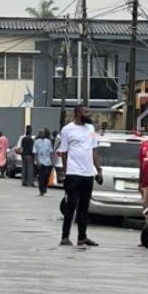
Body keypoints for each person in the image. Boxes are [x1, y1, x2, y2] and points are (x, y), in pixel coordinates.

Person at [58, 105, 103, 248]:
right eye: (86, 111)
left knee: (84, 207)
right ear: (78, 113)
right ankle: (65, 237)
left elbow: (94, 149)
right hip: (73, 173)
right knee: (71, 206)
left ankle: (82, 237)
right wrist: (65, 173)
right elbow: (64, 152)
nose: (88, 114)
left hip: (88, 174)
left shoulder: (91, 129)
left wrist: (98, 170)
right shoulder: (67, 130)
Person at [33, 128, 54, 196]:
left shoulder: (48, 141)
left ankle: (45, 187)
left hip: (48, 162)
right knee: (41, 177)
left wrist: (52, 161)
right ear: (39, 134)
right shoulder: (36, 142)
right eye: (41, 133)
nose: (42, 134)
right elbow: (35, 152)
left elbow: (51, 152)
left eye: (43, 133)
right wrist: (37, 161)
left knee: (46, 177)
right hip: (40, 162)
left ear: (45, 134)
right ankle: (41, 190)